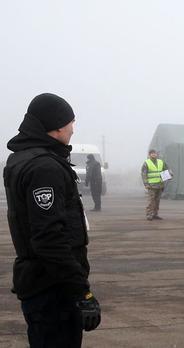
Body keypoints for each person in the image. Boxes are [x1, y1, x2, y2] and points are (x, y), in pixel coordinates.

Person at [4, 93, 101, 347]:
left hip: (41, 282)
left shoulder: (22, 159)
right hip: (52, 289)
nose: (72, 128)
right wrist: (82, 291)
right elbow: (49, 238)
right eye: (70, 122)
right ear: (56, 125)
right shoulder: (44, 168)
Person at [141, 149, 170, 221]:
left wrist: (170, 174)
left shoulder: (161, 162)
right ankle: (149, 215)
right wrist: (146, 184)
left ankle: (155, 214)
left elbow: (167, 169)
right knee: (151, 201)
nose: (154, 154)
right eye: (152, 153)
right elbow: (144, 174)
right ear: (149, 155)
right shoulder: (146, 163)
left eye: (155, 153)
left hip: (160, 185)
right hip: (151, 186)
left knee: (157, 201)